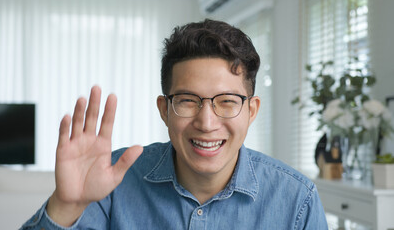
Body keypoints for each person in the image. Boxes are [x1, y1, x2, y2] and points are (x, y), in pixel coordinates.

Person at [22, 19, 328, 229]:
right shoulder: (109, 183)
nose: (206, 123)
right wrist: (65, 205)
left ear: (252, 110)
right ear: (164, 110)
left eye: (227, 102)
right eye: (187, 100)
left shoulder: (297, 200)